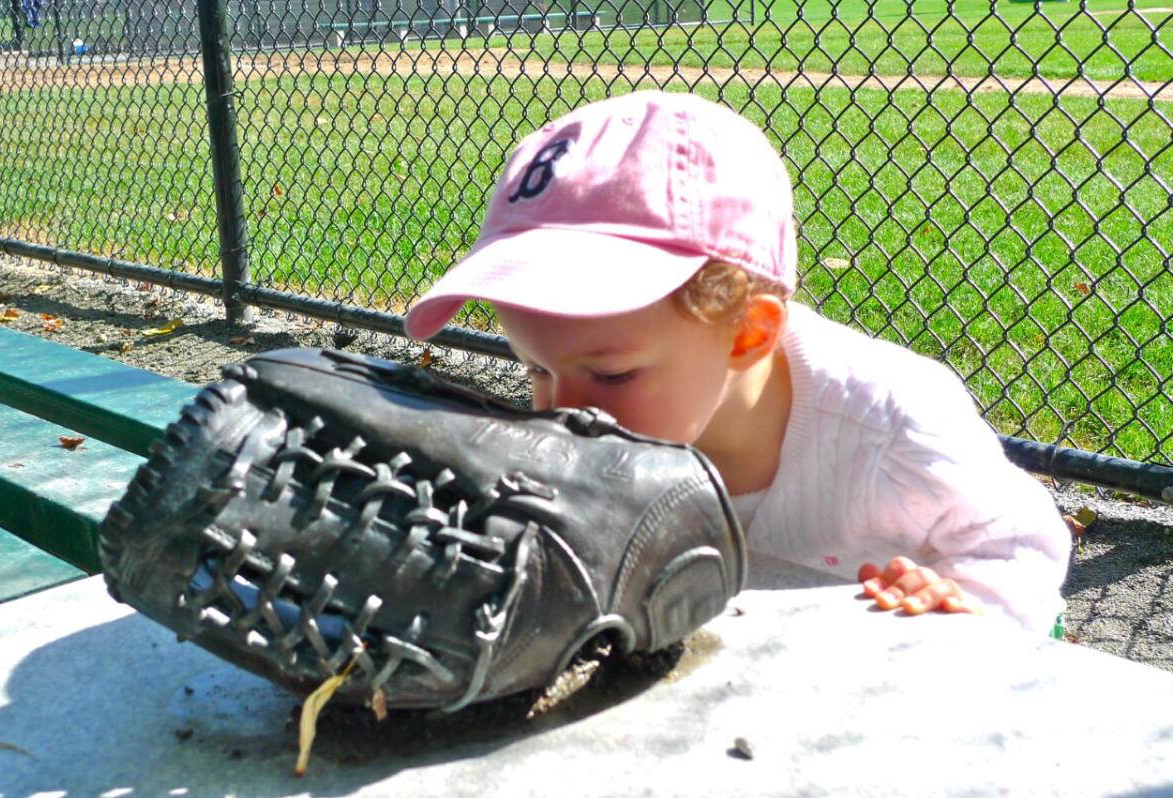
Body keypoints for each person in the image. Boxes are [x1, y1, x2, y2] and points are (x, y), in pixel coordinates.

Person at [403, 90, 1071, 634]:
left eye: (611, 374)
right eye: (535, 367)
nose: (559, 411)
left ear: (747, 333)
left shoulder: (892, 428)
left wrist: (966, 603)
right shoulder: (608, 429)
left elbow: (1021, 545)